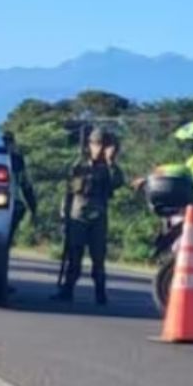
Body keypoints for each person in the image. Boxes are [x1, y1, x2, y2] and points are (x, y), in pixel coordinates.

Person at [53, 127, 124, 304]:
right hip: (78, 213)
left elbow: (118, 182)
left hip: (98, 216)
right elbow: (68, 192)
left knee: (98, 257)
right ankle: (67, 290)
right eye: (96, 144)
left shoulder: (109, 168)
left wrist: (111, 162)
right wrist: (64, 215)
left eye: (103, 145)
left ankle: (100, 293)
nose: (99, 148)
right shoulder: (79, 165)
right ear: (90, 145)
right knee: (74, 255)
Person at [3, 132, 38, 247]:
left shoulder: (17, 160)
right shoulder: (15, 159)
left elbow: (25, 184)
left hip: (12, 202)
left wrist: (33, 207)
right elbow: (26, 185)